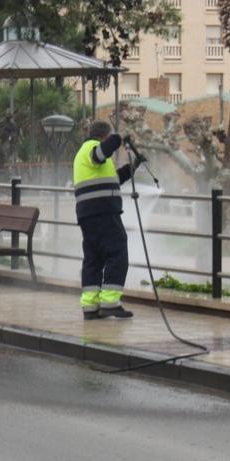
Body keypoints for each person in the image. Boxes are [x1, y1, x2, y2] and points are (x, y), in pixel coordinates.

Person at [73, 120, 139, 320]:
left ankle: (90, 306)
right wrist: (118, 138)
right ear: (103, 136)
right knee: (117, 251)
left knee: (94, 258)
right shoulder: (92, 148)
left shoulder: (83, 154)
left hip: (89, 214)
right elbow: (101, 153)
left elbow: (113, 179)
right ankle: (110, 302)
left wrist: (133, 167)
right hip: (103, 212)